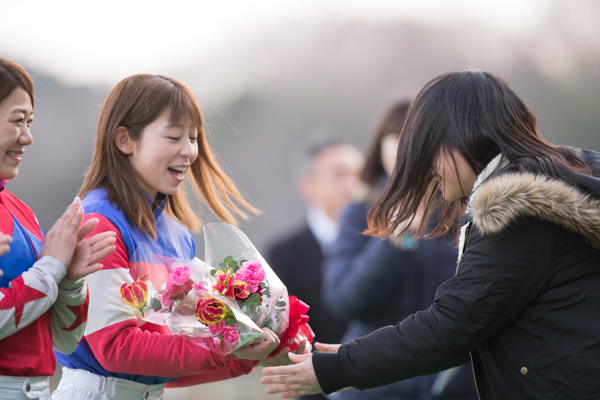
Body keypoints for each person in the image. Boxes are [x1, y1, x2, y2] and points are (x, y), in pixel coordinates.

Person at [261, 69, 600, 399]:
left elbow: (453, 324)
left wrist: (339, 368)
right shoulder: (567, 176)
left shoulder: (512, 212)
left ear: (460, 138)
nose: (427, 170)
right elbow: (473, 322)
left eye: (429, 153)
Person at [53, 73, 283, 400]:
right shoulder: (99, 221)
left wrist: (241, 355)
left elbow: (165, 364)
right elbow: (115, 348)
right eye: (174, 137)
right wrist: (223, 351)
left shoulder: (179, 235)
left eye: (193, 137)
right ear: (124, 140)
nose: (189, 151)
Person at [321, 100, 478, 400]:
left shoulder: (463, 207)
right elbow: (344, 300)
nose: (407, 147)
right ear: (380, 146)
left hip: (456, 382)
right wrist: (395, 240)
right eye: (396, 137)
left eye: (417, 137)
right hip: (378, 383)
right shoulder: (361, 210)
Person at [0, 57, 116, 400]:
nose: (28, 137)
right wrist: (50, 267)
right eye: (18, 121)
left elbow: (63, 340)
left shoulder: (21, 211)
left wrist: (69, 281)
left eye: (30, 122)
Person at [265, 134, 364, 400]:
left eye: (359, 173)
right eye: (340, 174)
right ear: (307, 184)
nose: (353, 183)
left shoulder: (385, 241)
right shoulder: (282, 254)